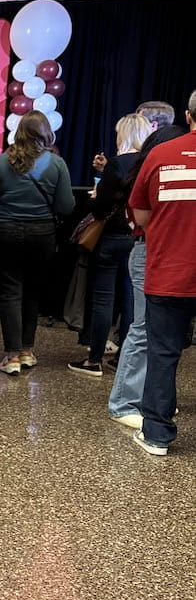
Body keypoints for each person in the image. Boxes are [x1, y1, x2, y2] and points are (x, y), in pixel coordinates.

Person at [108, 103, 189, 428]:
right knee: (143, 329)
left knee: (164, 335)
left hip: (162, 253)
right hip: (148, 252)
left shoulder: (154, 165)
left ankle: (155, 401)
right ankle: (124, 403)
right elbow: (141, 218)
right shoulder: (148, 171)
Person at [128, 89, 196, 455]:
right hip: (172, 272)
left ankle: (156, 434)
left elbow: (140, 215)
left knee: (162, 354)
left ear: (187, 116)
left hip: (168, 271)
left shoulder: (159, 154)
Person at [0, 110, 74, 374]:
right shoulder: (57, 164)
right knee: (33, 292)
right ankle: (26, 351)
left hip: (5, 231)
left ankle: (11, 356)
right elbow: (66, 207)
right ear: (47, 134)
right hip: (42, 233)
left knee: (9, 291)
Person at [68, 112, 150, 378]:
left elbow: (101, 208)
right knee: (129, 299)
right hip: (135, 238)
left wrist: (95, 196)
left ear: (124, 134)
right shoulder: (148, 161)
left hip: (111, 237)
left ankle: (94, 360)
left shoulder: (117, 163)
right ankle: (122, 358)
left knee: (103, 299)